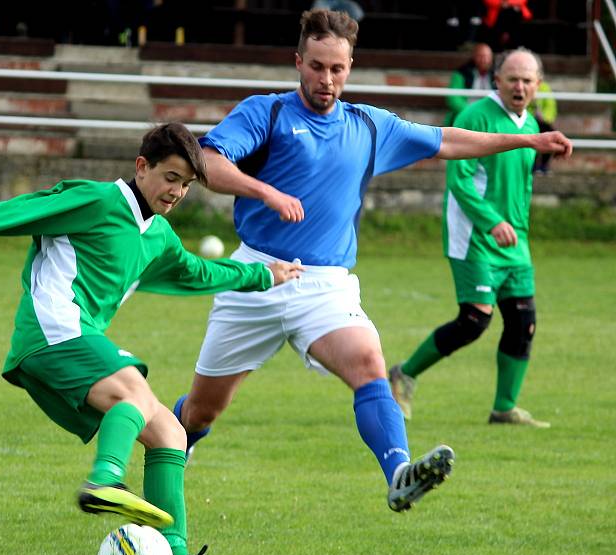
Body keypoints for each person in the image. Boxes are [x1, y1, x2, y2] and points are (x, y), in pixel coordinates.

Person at [172, 10, 571, 512]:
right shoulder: (266, 113)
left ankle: (399, 472)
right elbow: (206, 161)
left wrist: (528, 139)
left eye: (337, 69)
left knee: (368, 363)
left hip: (326, 284)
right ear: (299, 62)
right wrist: (265, 191)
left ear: (350, 66)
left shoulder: (368, 125)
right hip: (256, 274)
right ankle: (159, 456)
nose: (327, 79)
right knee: (204, 411)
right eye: (317, 67)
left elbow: (446, 140)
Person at [0, 123, 303, 555]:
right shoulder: (95, 201)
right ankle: (105, 479)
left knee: (168, 432)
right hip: (51, 333)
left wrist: (263, 276)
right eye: (170, 178)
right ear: (141, 167)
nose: (176, 192)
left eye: (185, 185)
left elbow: (196, 271)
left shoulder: (158, 236)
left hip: (72, 343)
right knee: (135, 389)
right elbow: (16, 212)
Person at [389, 48, 552, 429]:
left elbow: (517, 184)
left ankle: (504, 408)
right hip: (475, 236)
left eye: (527, 80)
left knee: (522, 321)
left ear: (538, 85)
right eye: (512, 78)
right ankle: (404, 374)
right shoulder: (475, 117)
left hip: (515, 242)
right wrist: (492, 221)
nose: (520, 86)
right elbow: (459, 181)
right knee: (475, 320)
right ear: (497, 80)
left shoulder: (531, 125)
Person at [445, 42, 494, 126]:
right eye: (481, 56)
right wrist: (472, 112)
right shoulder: (461, 73)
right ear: (474, 57)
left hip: (491, 115)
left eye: (487, 56)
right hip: (465, 114)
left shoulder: (497, 74)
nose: (484, 60)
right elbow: (453, 99)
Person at [528, 80, 557, 173]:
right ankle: (533, 166)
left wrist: (544, 117)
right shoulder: (525, 86)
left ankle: (544, 165)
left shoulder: (545, 88)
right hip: (529, 121)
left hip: (542, 122)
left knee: (550, 135)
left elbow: (551, 107)